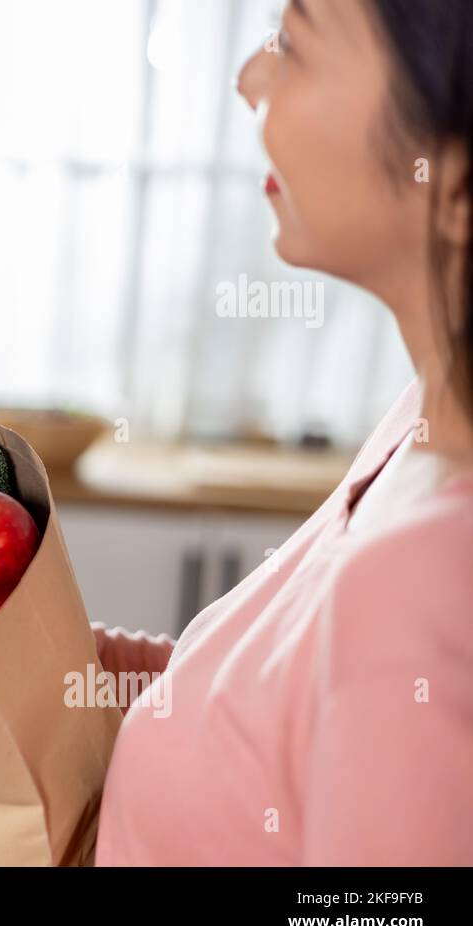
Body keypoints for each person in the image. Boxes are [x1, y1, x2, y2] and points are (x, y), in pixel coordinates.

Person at [94, 0, 473, 865]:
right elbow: (279, 729)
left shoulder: (434, 576)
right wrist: (42, 660)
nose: (248, 76)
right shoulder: (422, 414)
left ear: (454, 188)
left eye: (294, 45)